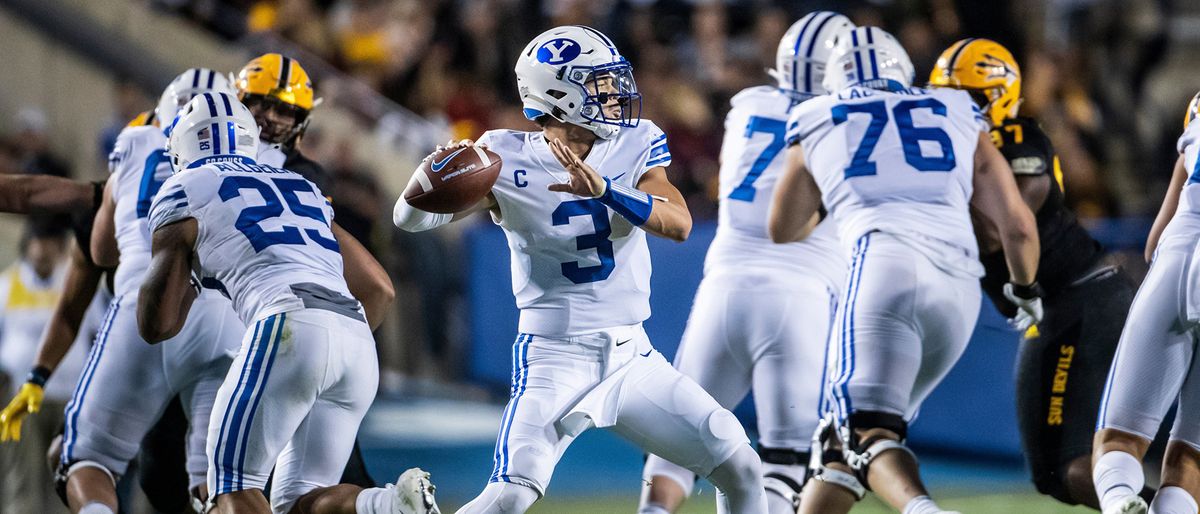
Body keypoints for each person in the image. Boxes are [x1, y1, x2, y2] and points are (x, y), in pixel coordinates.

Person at [394, 25, 767, 514]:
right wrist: (427, 182)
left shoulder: (637, 141)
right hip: (554, 357)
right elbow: (411, 219)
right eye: (600, 83)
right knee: (510, 494)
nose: (616, 94)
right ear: (559, 94)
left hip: (633, 355)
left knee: (740, 466)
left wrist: (608, 190)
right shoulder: (500, 156)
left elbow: (677, 224)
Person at [768, 26, 1041, 514]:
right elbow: (1016, 226)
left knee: (863, 430)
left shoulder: (815, 114)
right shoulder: (956, 109)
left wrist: (836, 189)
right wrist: (1025, 288)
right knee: (844, 442)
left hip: (884, 268)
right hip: (959, 290)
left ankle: (924, 511)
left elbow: (783, 227)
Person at [139, 91, 431, 514]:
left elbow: (158, 326)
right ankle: (387, 504)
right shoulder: (302, 186)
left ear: (182, 144)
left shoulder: (183, 186)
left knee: (231, 485)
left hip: (287, 323)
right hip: (355, 339)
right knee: (298, 502)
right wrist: (327, 348)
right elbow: (378, 288)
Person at [638, 11, 852, 514]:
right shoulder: (846, 121)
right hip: (801, 294)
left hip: (725, 288)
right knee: (785, 459)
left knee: (677, 445)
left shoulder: (749, 105)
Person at [928, 37, 1143, 509]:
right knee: (1071, 464)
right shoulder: (962, 151)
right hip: (1071, 302)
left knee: (1065, 464)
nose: (947, 109)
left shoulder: (1018, 140)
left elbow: (1002, 228)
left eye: (961, 97)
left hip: (1077, 300)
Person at [56, 68, 244, 514]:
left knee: (85, 460)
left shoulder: (138, 143)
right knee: (215, 485)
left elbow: (101, 250)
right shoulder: (261, 165)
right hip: (227, 317)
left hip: (145, 301)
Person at [1089, 92, 1200, 514]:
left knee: (1119, 439)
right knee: (1192, 458)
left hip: (1185, 251)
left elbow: (1153, 243)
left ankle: (1120, 502)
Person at [0, 219, 79, 514]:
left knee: (64, 479)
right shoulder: (8, 285)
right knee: (22, 476)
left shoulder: (74, 281)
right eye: (38, 242)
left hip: (68, 397)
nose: (43, 250)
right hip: (21, 399)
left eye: (49, 243)